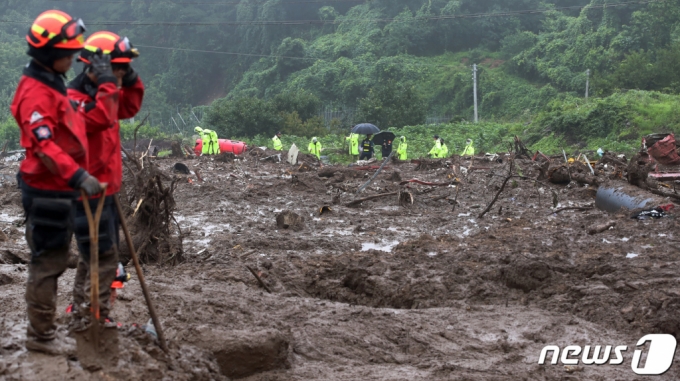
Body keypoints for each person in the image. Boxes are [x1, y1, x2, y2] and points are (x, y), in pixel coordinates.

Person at [12, 10, 109, 355]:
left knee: (54, 256)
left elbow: (79, 124)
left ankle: (45, 331)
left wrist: (101, 88)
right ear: (51, 55)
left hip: (58, 188)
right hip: (45, 190)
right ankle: (40, 337)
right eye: (68, 53)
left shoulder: (52, 84)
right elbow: (46, 147)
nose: (72, 58)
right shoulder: (35, 93)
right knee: (48, 262)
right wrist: (79, 175)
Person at [67, 30, 144, 332]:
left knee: (93, 254)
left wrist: (127, 78)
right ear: (95, 69)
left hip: (107, 188)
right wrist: (109, 85)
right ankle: (96, 314)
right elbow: (99, 118)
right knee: (103, 255)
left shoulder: (107, 94)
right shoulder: (74, 99)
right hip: (86, 190)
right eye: (117, 68)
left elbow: (130, 106)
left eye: (125, 69)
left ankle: (81, 308)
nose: (121, 75)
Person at [68, 262, 130, 329]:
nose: (115, 295)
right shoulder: (74, 318)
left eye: (114, 289)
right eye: (110, 290)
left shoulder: (72, 310)